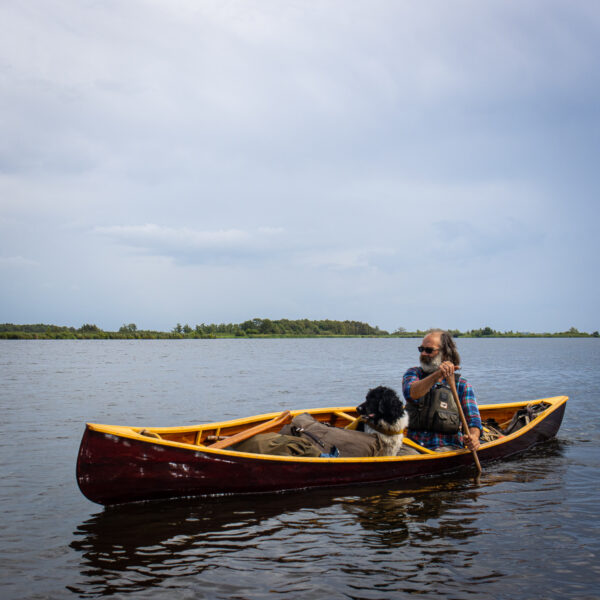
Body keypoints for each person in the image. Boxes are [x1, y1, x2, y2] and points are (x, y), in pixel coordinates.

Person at [402, 329, 482, 452]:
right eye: (421, 349)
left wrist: (474, 437)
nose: (423, 353)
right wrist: (437, 375)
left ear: (444, 354)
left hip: (446, 446)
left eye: (429, 350)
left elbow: (473, 420)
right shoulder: (413, 373)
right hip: (413, 445)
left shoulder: (462, 385)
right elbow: (411, 394)